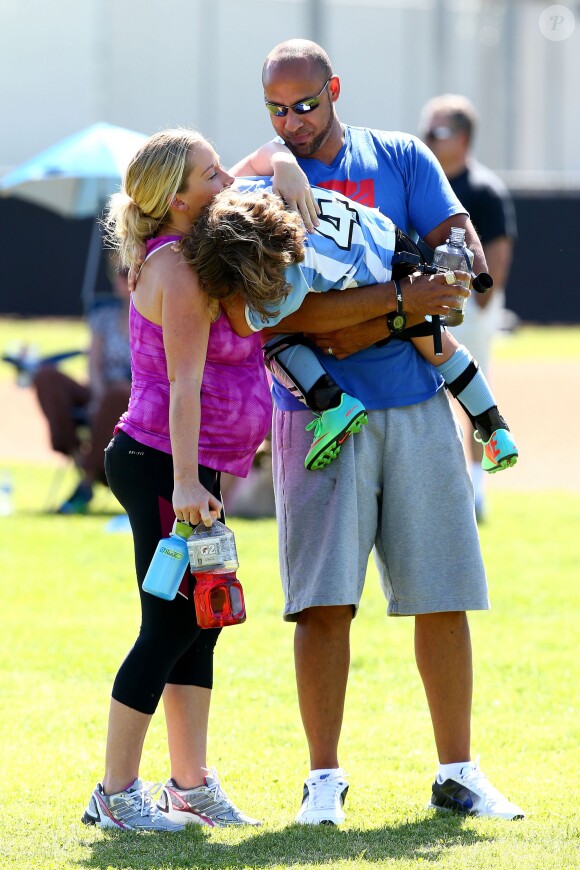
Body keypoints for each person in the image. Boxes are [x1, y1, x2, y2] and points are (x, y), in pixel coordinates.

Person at [230, 39, 525, 824]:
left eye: (305, 104)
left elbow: (459, 266)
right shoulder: (253, 182)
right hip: (315, 418)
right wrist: (399, 302)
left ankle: (458, 771)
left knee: (443, 596)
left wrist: (392, 305)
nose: (293, 122)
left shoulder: (399, 155)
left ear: (335, 89)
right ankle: (322, 781)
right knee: (322, 605)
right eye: (277, 109)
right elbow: (278, 316)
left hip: (418, 405)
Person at [81, 129, 277, 831]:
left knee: (202, 625)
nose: (225, 178)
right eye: (209, 171)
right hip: (166, 466)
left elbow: (263, 163)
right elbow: (184, 387)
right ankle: (116, 795)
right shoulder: (176, 270)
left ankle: (189, 786)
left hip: (189, 467)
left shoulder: (191, 256)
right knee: (166, 628)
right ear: (174, 196)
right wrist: (191, 483)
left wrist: (281, 162)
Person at [183, 184, 518, 476]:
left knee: (273, 335)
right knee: (441, 347)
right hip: (396, 244)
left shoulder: (288, 268)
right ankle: (494, 427)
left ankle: (332, 405)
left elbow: (245, 325)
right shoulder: (278, 198)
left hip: (378, 281)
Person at [418, 94, 517, 520]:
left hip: (469, 304)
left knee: (471, 386)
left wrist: (483, 298)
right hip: (423, 299)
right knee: (425, 388)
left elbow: (497, 250)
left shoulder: (484, 189)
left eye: (438, 131)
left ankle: (476, 490)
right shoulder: (423, 180)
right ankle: (439, 484)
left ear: (462, 137)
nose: (428, 138)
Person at [33, 266, 132, 513]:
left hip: (133, 398)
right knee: (46, 375)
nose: (120, 280)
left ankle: (86, 480)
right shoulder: (105, 316)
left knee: (119, 393)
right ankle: (78, 455)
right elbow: (94, 363)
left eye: (127, 273)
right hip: (101, 391)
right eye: (119, 273)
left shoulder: (154, 320)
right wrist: (97, 395)